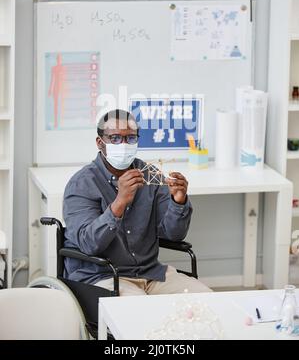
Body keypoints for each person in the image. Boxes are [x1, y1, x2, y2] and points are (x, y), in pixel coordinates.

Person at [63, 109, 211, 296]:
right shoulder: (82, 184)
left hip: (150, 274)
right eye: (115, 138)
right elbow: (88, 244)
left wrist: (178, 201)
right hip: (102, 276)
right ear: (100, 143)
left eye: (131, 138)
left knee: (204, 300)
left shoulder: (149, 175)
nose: (124, 144)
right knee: (140, 312)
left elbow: (174, 235)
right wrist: (120, 202)